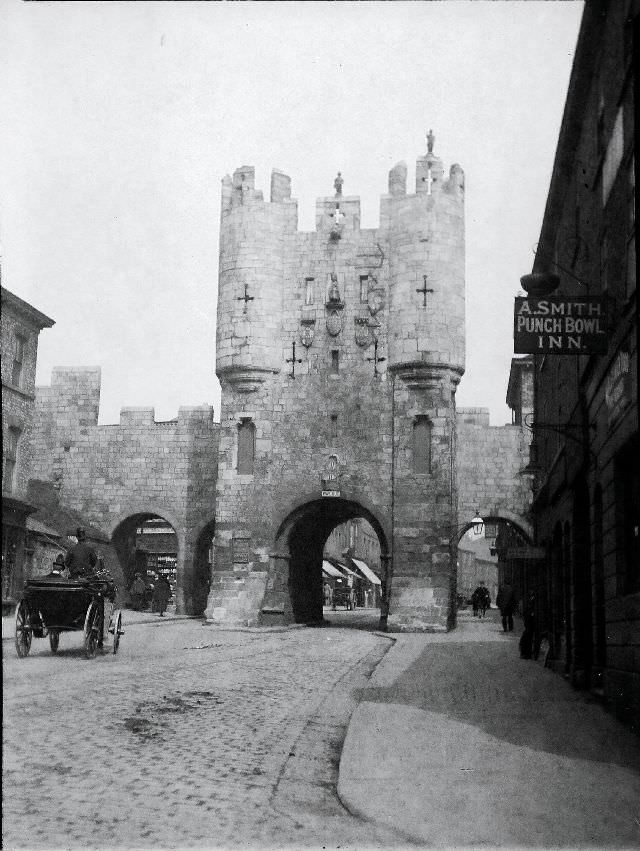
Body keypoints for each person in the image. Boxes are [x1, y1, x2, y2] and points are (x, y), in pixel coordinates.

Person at [520, 592, 537, 659]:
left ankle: (527, 654)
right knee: (526, 637)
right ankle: (526, 653)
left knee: (527, 637)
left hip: (531, 621)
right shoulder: (531, 598)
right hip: (529, 621)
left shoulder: (534, 599)